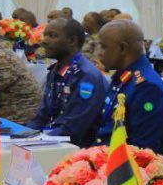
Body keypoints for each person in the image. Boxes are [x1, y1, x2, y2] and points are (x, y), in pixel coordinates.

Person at [93, 19, 163, 168]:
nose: (98, 53)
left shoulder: (147, 87)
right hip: (117, 160)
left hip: (153, 173)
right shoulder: (124, 78)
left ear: (122, 48)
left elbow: (142, 150)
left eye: (104, 47)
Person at [25, 18, 107, 147]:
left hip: (77, 147)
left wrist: (37, 140)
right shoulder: (55, 71)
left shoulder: (86, 76)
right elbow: (42, 115)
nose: (44, 41)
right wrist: (24, 136)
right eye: (45, 35)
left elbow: (73, 128)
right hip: (54, 139)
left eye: (52, 35)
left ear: (72, 41)